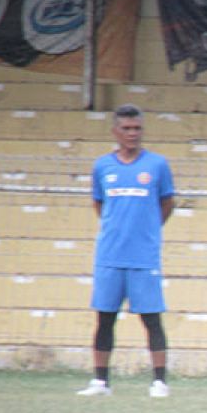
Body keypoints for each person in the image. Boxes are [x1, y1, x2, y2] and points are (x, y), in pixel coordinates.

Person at [78, 104, 176, 398]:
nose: (132, 134)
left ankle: (159, 382)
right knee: (105, 318)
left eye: (137, 128)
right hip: (109, 256)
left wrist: (146, 229)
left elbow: (167, 203)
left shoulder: (157, 165)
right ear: (115, 132)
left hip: (143, 256)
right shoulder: (102, 167)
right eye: (127, 129)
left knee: (151, 318)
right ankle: (100, 382)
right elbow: (99, 204)